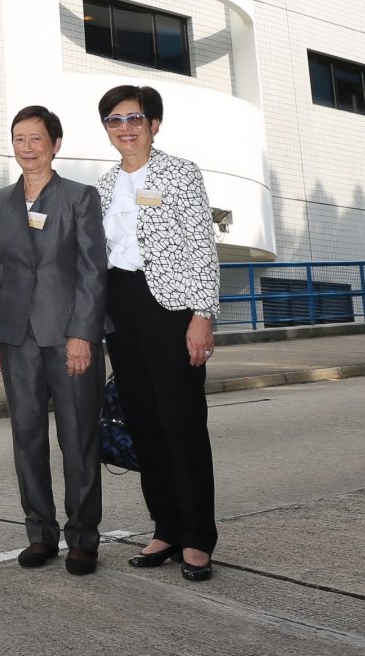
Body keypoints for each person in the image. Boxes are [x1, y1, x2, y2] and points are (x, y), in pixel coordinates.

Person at [96, 84, 221, 582]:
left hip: (172, 308)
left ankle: (197, 537)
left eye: (134, 118)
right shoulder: (104, 185)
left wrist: (203, 314)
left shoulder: (181, 173)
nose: (124, 128)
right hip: (121, 306)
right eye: (114, 120)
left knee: (182, 423)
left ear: (153, 124)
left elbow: (202, 246)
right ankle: (166, 527)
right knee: (144, 422)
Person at [0, 105, 107, 576]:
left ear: (55, 144)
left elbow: (93, 270)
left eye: (36, 139)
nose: (27, 148)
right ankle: (40, 533)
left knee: (78, 438)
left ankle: (83, 537)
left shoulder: (79, 196)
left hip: (69, 334)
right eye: (19, 139)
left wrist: (83, 334)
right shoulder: (0, 200)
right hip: (17, 336)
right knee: (27, 436)